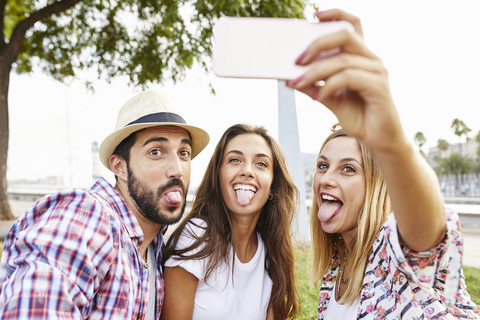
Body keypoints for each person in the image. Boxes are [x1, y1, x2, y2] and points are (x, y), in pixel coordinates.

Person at [286, 8, 480, 320]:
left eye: (348, 168)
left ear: (377, 185)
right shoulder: (334, 272)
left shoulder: (395, 248)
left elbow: (431, 231)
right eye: (323, 166)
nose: (326, 178)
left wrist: (390, 141)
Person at [0, 90, 209, 319]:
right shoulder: (88, 214)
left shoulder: (154, 247)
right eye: (156, 152)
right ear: (119, 167)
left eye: (184, 153)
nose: (177, 169)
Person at [161, 124, 300, 320]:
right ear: (218, 175)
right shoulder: (196, 237)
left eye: (261, 164)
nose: (247, 171)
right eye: (235, 160)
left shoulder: (272, 251)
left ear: (272, 185)